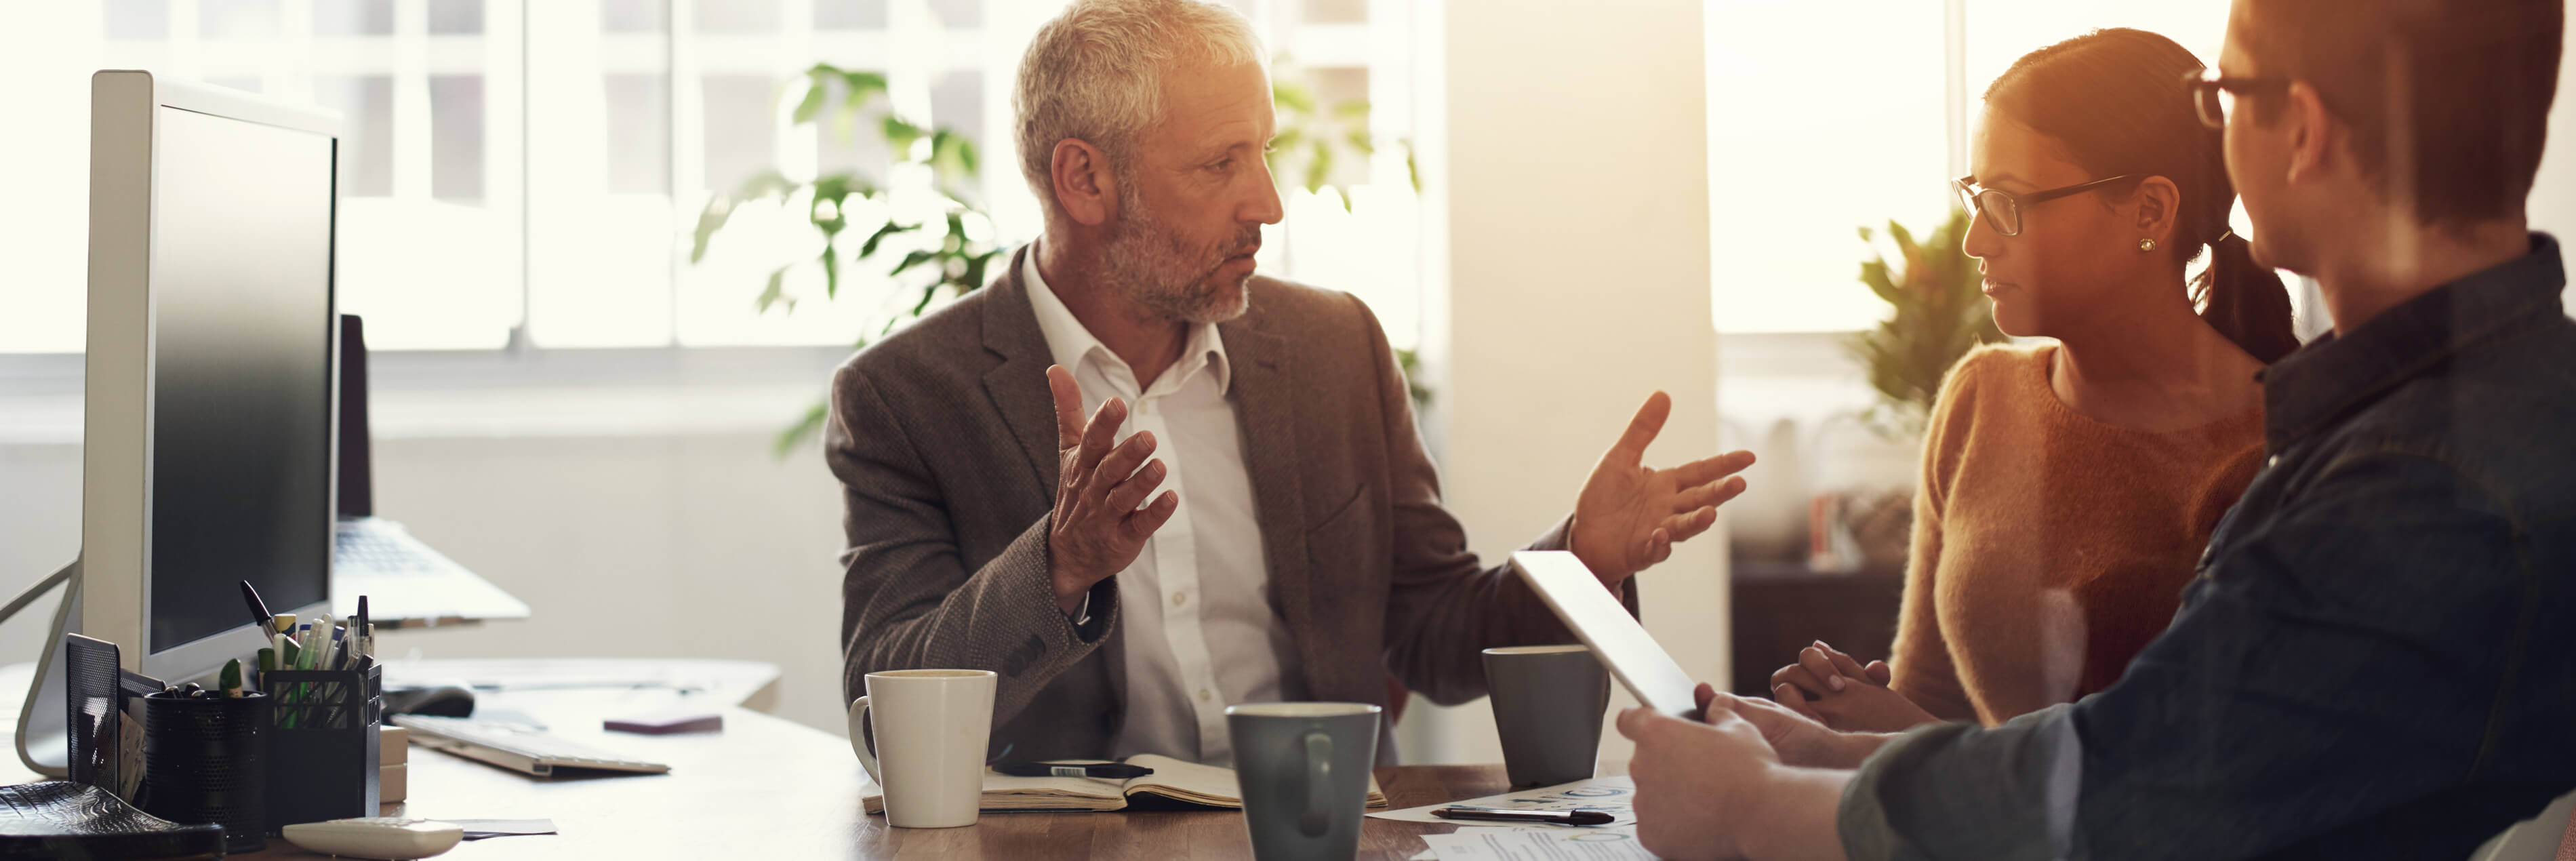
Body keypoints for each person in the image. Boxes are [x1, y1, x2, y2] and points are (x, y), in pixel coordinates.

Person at [1622, 0, 2576, 857]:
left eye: (2223, 91)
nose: (2213, 121)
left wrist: (1753, 805)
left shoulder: (2411, 483)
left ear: (2303, 130)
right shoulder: (2488, 414)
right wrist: (1822, 752)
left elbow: (2131, 789)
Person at [830, 0, 1754, 766]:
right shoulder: (906, 398)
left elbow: (1433, 632)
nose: (1268, 201)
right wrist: (1059, 567)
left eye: (1263, 153)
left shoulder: (1334, 347)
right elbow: (886, 722)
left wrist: (1583, 559)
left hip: (1328, 832)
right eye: (1220, 162)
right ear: (1085, 180)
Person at [1771, 28, 2295, 735]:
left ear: (2148, 211)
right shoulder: (1980, 397)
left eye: (2007, 201)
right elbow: (1931, 696)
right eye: (1976, 197)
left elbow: (2189, 770)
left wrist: (1898, 743)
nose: (1975, 241)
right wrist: (1852, 716)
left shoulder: (2271, 447)